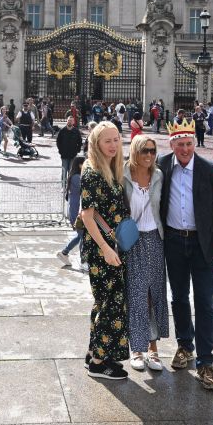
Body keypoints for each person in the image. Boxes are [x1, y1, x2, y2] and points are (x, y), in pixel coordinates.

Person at [158, 118, 213, 390]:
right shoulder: (162, 166)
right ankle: (184, 346)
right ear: (172, 145)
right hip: (174, 242)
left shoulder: (209, 169)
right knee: (178, 298)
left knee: (204, 303)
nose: (185, 149)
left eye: (189, 144)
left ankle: (206, 361)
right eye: (180, 144)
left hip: (203, 245)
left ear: (194, 144)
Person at [79, 121, 130, 380]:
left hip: (112, 246)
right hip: (103, 250)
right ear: (96, 143)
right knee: (111, 303)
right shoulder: (93, 172)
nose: (113, 145)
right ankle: (98, 363)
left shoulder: (110, 168)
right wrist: (107, 249)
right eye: (107, 140)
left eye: (116, 139)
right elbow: (87, 216)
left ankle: (95, 353)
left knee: (105, 302)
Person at [122, 134, 168, 373]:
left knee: (154, 294)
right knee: (137, 295)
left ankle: (153, 348)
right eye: (144, 150)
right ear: (135, 151)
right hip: (133, 241)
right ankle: (137, 349)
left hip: (155, 240)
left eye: (152, 150)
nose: (149, 155)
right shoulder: (123, 174)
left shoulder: (158, 175)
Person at [56, 155, 87, 269]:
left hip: (76, 210)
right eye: (85, 163)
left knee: (80, 235)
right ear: (79, 165)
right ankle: (83, 260)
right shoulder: (77, 177)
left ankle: (64, 253)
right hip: (76, 211)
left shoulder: (75, 176)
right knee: (83, 236)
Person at [56, 115, 82, 187]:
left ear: (73, 122)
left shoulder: (76, 131)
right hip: (64, 155)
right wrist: (60, 150)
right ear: (67, 121)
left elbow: (80, 142)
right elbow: (58, 141)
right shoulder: (62, 130)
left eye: (71, 121)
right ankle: (63, 186)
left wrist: (78, 150)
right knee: (64, 171)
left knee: (71, 172)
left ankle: (70, 187)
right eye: (68, 120)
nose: (69, 122)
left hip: (73, 155)